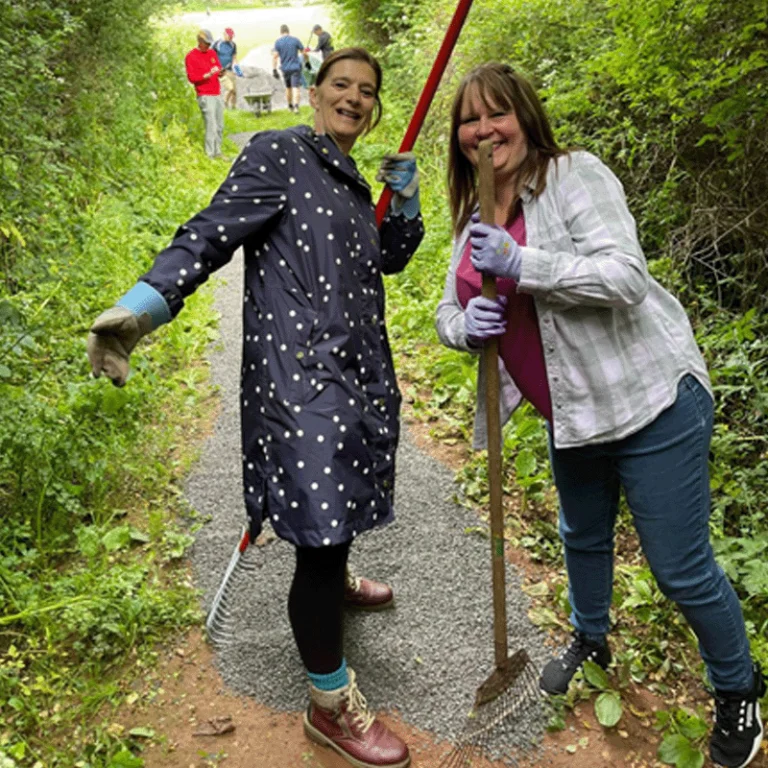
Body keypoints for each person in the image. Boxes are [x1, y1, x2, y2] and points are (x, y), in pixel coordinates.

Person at [87, 48, 423, 768]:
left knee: (335, 503)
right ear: (315, 93)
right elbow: (209, 231)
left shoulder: (352, 178)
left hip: (355, 369)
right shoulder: (279, 154)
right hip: (299, 377)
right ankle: (330, 706)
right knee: (323, 514)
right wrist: (143, 309)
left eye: (368, 91)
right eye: (342, 84)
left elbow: (387, 260)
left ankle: (333, 577)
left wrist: (408, 204)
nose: (355, 98)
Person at [435, 62, 765, 768]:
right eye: (470, 119)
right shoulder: (472, 212)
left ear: (524, 115)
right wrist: (469, 325)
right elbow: (447, 309)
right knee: (581, 535)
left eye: (498, 114)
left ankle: (740, 687)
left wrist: (526, 263)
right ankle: (591, 635)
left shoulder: (573, 176)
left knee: (679, 569)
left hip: (650, 404)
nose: (485, 130)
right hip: (574, 414)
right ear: (457, 134)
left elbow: (624, 277)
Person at [184, 29, 225, 159]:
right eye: (206, 43)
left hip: (216, 92)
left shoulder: (212, 53)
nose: (208, 46)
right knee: (211, 124)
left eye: (209, 43)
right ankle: (209, 153)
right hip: (205, 94)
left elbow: (218, 68)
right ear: (200, 41)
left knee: (219, 124)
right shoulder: (191, 56)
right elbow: (192, 77)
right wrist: (206, 75)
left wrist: (220, 72)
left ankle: (218, 151)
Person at [272, 24, 304, 113]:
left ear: (281, 32)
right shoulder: (295, 40)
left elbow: (275, 57)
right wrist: (307, 62)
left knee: (288, 88)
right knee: (295, 87)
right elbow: (304, 52)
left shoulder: (278, 42)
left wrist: (274, 69)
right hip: (295, 67)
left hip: (285, 68)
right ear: (288, 31)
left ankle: (290, 106)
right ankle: (296, 107)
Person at [213, 27, 239, 110]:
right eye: (229, 36)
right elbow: (211, 57)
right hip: (221, 71)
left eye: (232, 36)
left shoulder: (233, 45)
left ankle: (234, 107)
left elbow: (234, 57)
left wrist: (236, 67)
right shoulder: (217, 44)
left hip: (230, 70)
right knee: (230, 88)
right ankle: (224, 102)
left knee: (234, 91)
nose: (231, 38)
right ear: (224, 34)